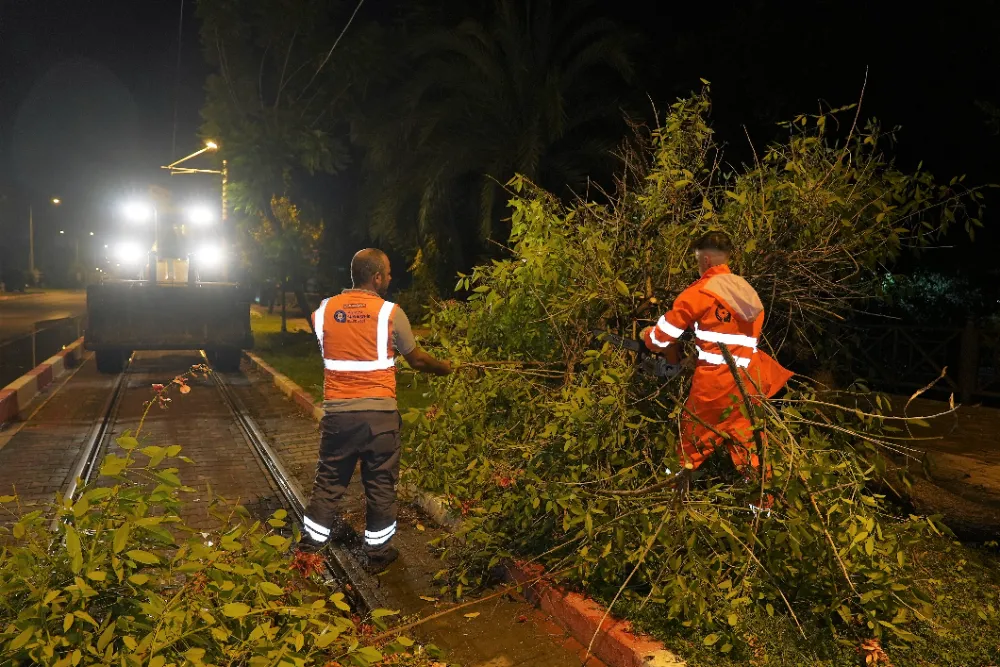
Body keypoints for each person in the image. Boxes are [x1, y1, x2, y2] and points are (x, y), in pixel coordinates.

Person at [299, 248, 453, 572]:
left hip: (339, 416)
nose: (392, 278)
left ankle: (308, 550)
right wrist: (445, 368)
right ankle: (378, 555)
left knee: (328, 482)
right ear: (377, 277)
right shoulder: (390, 313)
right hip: (380, 417)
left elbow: (328, 344)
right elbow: (418, 359)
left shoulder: (323, 312)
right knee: (381, 484)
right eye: (389, 273)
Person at [641, 231, 792, 478]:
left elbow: (663, 336)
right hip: (750, 381)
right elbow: (732, 338)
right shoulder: (746, 291)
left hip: (715, 385)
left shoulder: (701, 292)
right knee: (751, 450)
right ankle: (764, 508)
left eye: (697, 259)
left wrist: (648, 337)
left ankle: (667, 498)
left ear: (707, 260)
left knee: (689, 444)